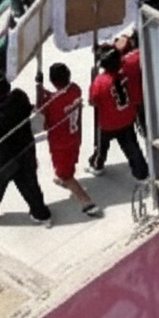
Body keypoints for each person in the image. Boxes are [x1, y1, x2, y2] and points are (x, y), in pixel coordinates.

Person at [0, 68, 52, 227]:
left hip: (1, 158)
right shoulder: (19, 96)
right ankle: (41, 214)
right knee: (30, 184)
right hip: (25, 150)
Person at [36, 63, 101, 217]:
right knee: (67, 167)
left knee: (66, 175)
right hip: (75, 137)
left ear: (52, 81)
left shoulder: (51, 103)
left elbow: (41, 119)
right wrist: (43, 92)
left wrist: (39, 92)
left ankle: (86, 201)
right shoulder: (75, 89)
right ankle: (62, 177)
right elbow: (58, 98)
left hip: (60, 144)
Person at [86, 47, 149, 182]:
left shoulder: (100, 82)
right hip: (127, 119)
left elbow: (92, 101)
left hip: (107, 124)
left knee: (101, 148)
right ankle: (141, 173)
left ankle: (97, 166)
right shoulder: (125, 73)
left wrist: (94, 80)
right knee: (132, 148)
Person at [115, 33, 144, 136]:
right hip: (152, 96)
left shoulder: (124, 62)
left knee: (144, 128)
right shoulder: (144, 54)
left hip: (136, 100)